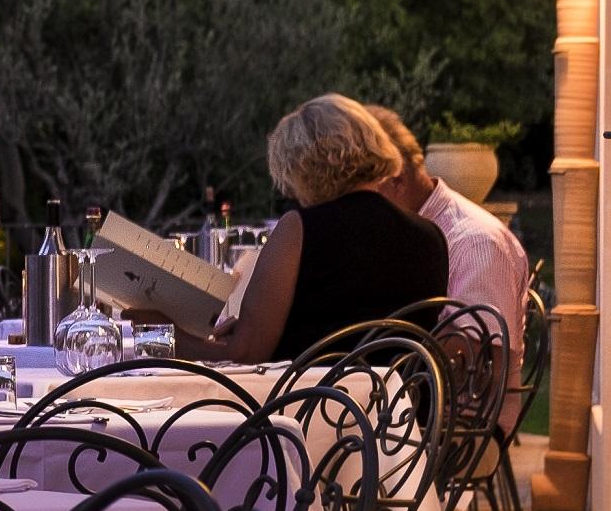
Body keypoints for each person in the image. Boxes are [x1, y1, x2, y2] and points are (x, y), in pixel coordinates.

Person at [185, 95, 450, 366]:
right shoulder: (431, 235)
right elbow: (355, 316)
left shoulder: (299, 229)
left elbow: (246, 354)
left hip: (315, 403)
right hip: (400, 404)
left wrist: (168, 340)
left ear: (301, 167)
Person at [368, 104, 532, 344]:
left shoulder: (475, 243)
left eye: (359, 190)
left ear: (397, 178)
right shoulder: (395, 234)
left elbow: (480, 363)